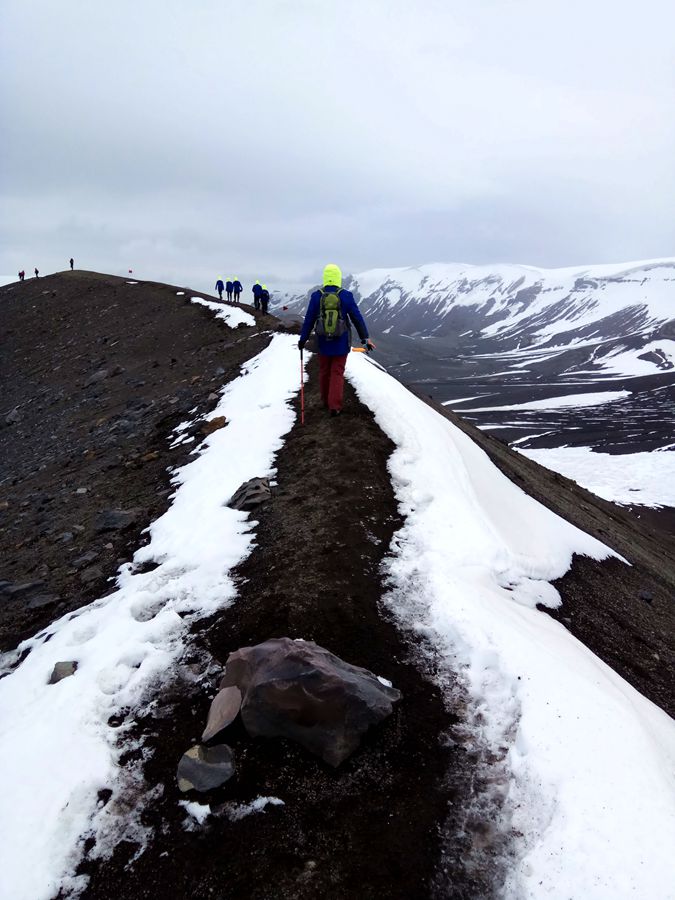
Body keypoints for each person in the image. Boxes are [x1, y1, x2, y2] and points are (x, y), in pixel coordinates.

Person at [298, 263, 374, 416]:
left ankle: (325, 401)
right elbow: (357, 318)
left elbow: (309, 321)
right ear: (338, 278)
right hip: (341, 343)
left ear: (325, 278)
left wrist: (303, 339)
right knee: (337, 372)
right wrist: (365, 338)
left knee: (324, 371)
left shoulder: (316, 296)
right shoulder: (346, 296)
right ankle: (335, 406)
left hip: (322, 342)